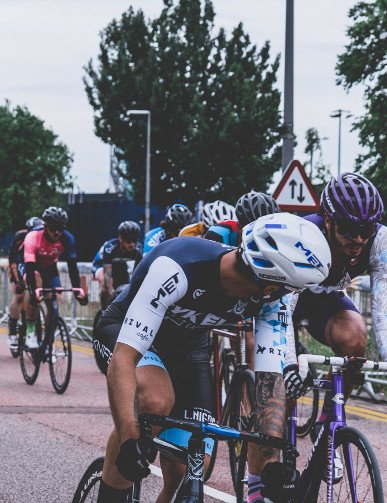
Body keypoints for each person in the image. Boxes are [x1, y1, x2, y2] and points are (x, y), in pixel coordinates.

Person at [93, 212, 331, 503]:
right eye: (293, 288)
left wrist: (271, 461)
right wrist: (130, 438)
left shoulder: (272, 301)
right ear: (270, 285)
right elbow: (125, 358)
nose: (290, 294)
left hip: (189, 350)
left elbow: (270, 383)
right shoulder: (178, 265)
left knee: (190, 465)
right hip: (124, 333)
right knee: (156, 399)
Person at [283, 173, 387, 441]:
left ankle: (326, 427)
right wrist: (287, 364)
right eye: (349, 230)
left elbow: (381, 304)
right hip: (284, 300)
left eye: (366, 230)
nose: (359, 239)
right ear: (328, 221)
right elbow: (284, 307)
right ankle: (267, 455)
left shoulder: (379, 240)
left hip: (324, 301)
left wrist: (386, 355)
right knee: (284, 396)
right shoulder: (304, 236)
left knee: (356, 338)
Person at [23, 206, 88, 349]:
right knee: (36, 287)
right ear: (45, 226)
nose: (57, 232)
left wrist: (78, 291)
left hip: (50, 268)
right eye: (53, 228)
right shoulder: (32, 237)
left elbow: (72, 266)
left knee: (54, 302)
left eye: (60, 228)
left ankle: (48, 341)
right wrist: (34, 292)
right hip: (31, 266)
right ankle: (30, 333)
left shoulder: (67, 238)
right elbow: (30, 266)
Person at [7, 216, 43, 352]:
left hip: (32, 265)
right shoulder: (20, 236)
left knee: (37, 292)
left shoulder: (42, 238)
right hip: (17, 264)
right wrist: (18, 281)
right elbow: (13, 259)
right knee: (20, 294)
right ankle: (11, 333)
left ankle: (33, 327)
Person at [93, 221, 143, 310]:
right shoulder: (110, 248)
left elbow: (139, 272)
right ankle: (104, 311)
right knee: (106, 284)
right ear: (121, 239)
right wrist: (110, 293)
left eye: (134, 240)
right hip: (100, 265)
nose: (132, 244)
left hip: (120, 266)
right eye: (128, 240)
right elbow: (107, 274)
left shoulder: (138, 248)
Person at [204, 190, 280, 245]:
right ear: (239, 226)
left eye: (265, 233)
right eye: (251, 232)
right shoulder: (217, 234)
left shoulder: (278, 236)